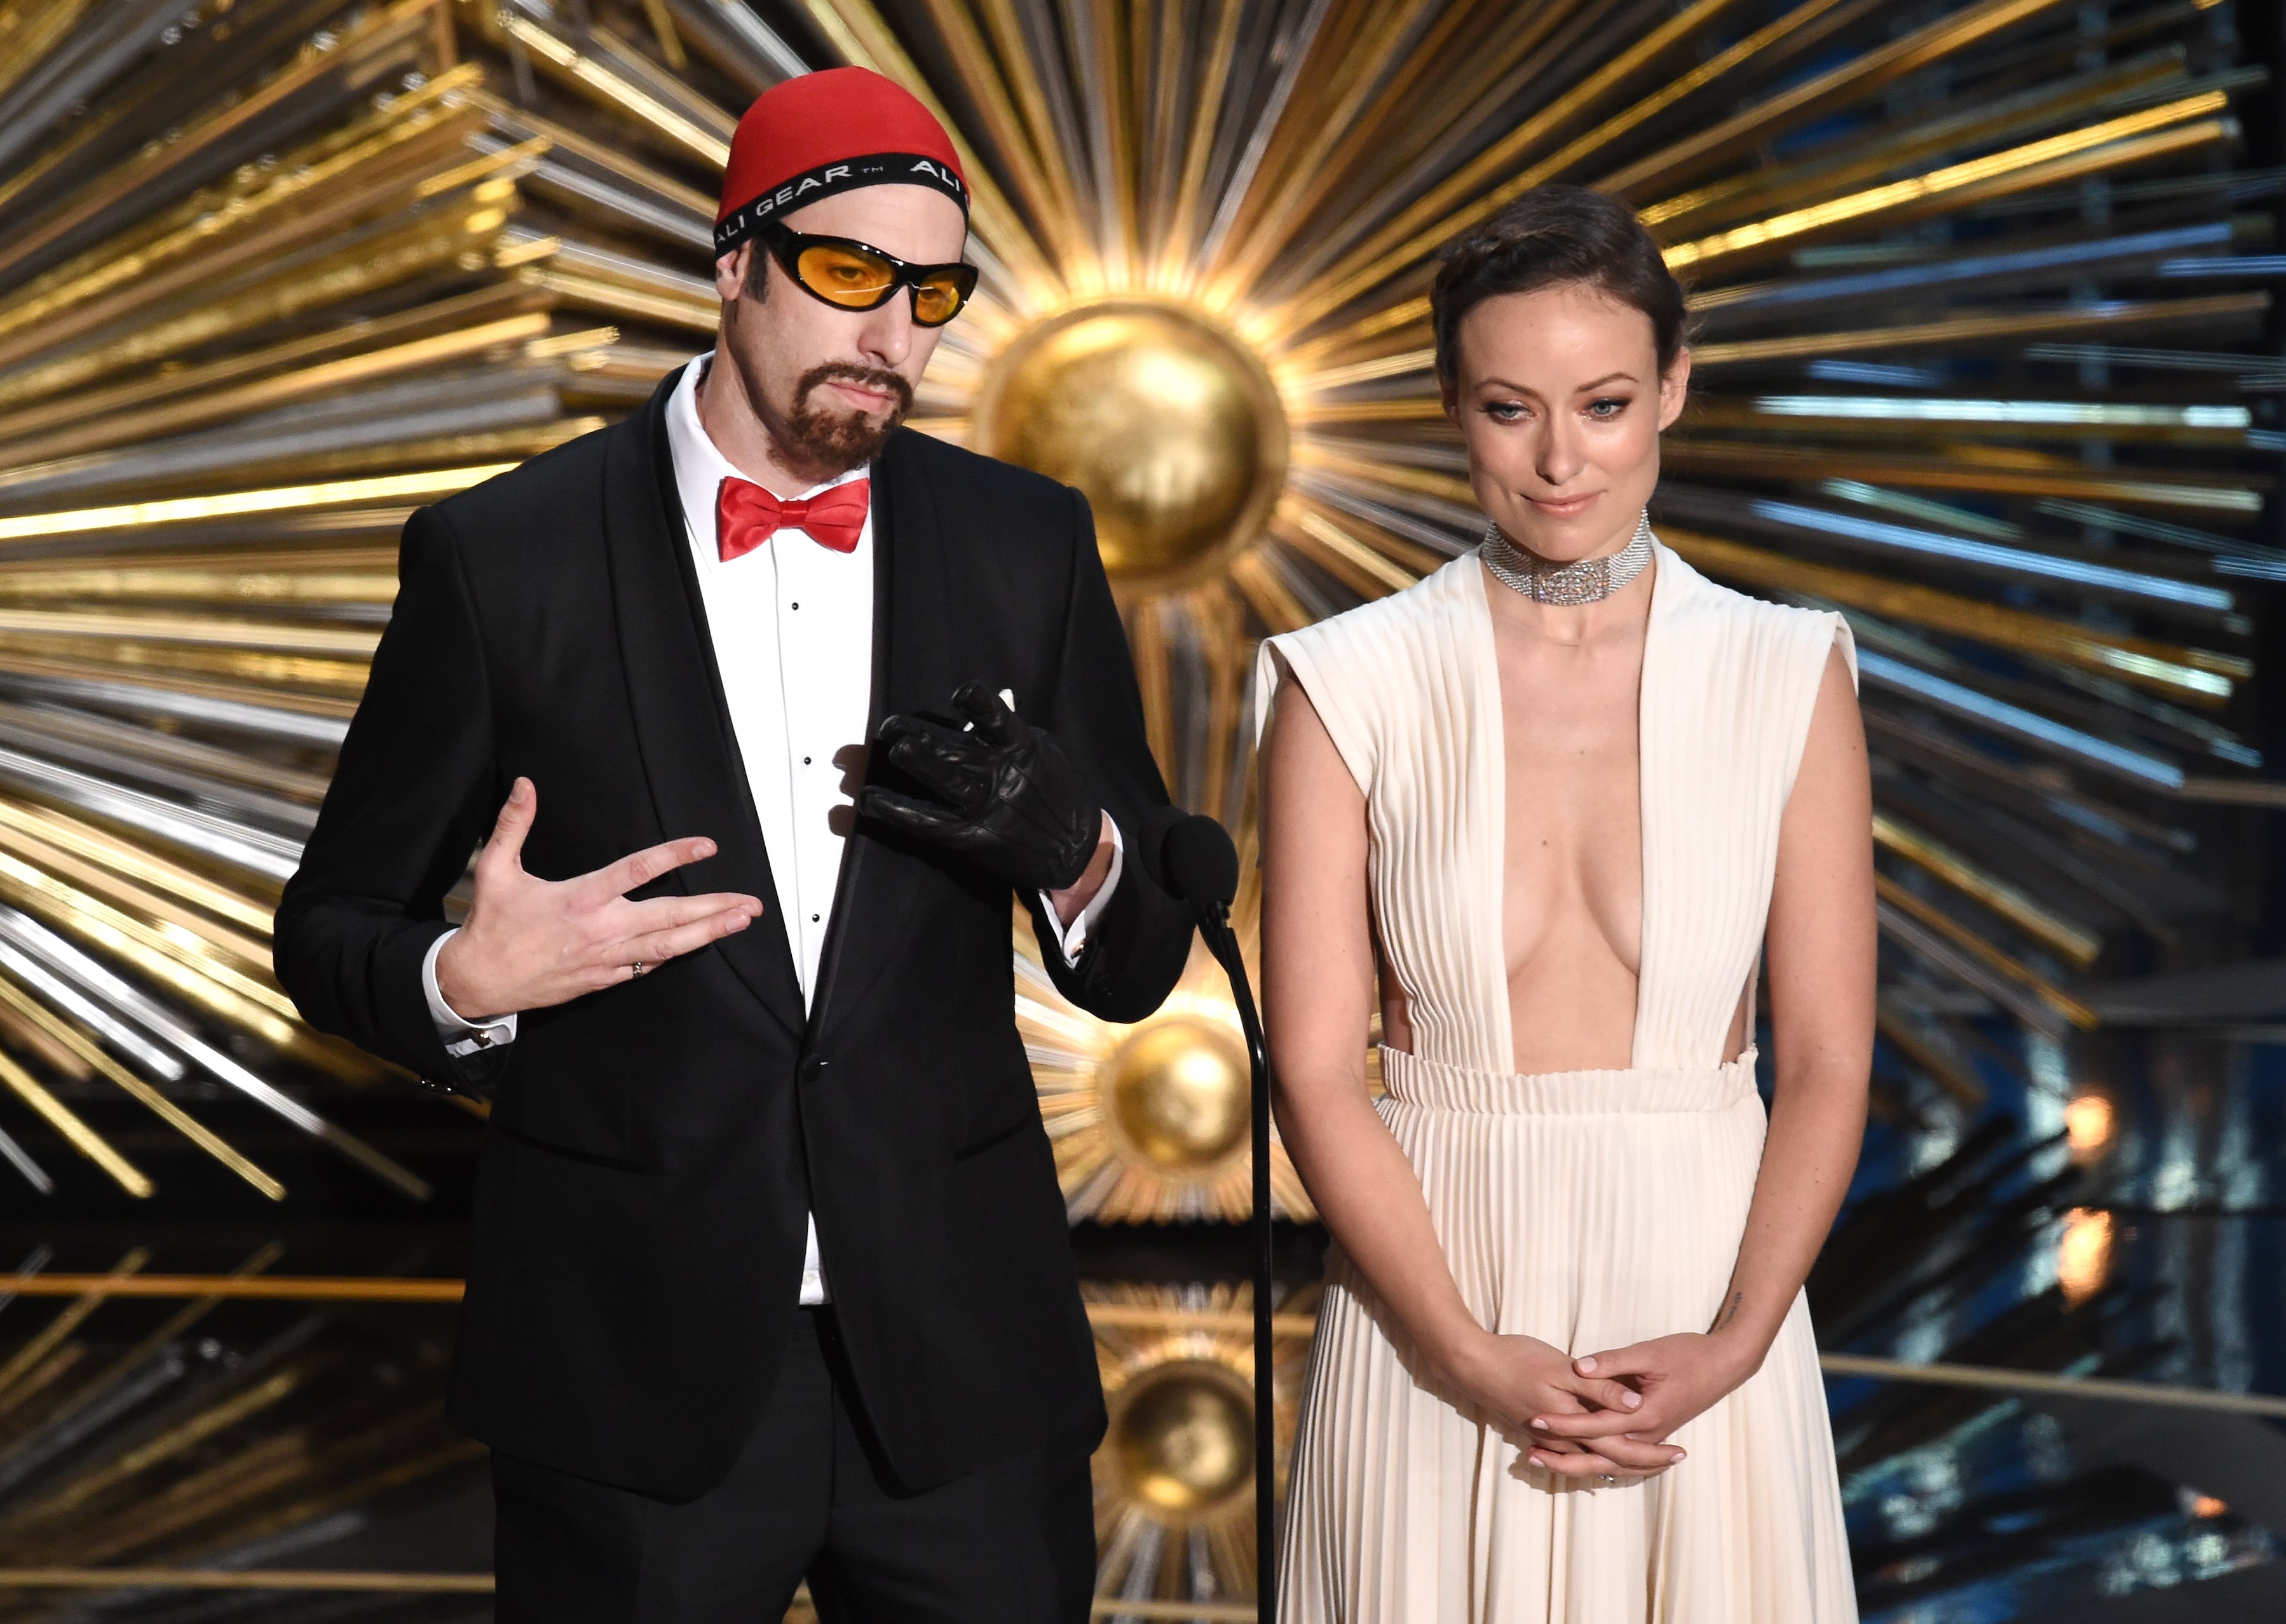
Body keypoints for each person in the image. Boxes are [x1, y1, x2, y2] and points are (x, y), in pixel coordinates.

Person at [275, 67, 1193, 1623]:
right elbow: (327, 929)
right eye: (847, 276)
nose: (890, 336)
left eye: (932, 295)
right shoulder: (505, 558)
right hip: (630, 1373)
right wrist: (463, 976)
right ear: (734, 264)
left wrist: (1083, 856)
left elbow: (1145, 950)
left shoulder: (1025, 542)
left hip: (959, 1366)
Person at [1257, 183, 1870, 1621]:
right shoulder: (1345, 681)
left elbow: (1832, 1057)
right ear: (1454, 411)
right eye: (1508, 409)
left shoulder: (1790, 672)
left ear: (1672, 387)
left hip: (1708, 1296)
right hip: (1432, 1302)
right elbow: (1311, 1067)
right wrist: (1464, 1350)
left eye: (1600, 403)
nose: (1557, 461)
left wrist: (1735, 1342)